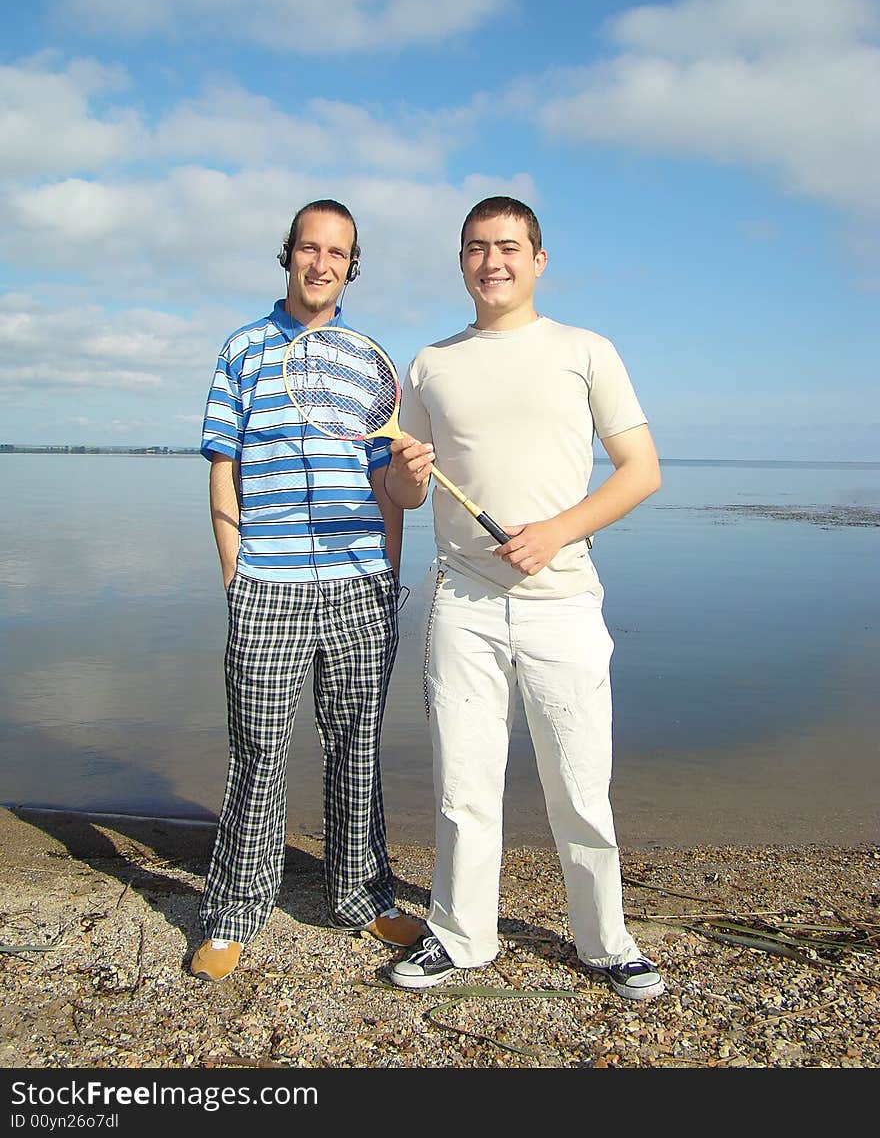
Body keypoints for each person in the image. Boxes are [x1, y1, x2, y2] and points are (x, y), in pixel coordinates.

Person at [384, 196, 665, 1001]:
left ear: (539, 259)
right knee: (463, 783)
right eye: (477, 247)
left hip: (563, 602)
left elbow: (640, 470)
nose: (492, 261)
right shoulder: (431, 363)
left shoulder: (586, 351)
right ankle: (460, 934)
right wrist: (404, 475)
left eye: (509, 246)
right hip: (463, 603)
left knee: (579, 785)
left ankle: (606, 941)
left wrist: (556, 531)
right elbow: (404, 490)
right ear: (462, 261)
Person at [190, 199, 423, 981]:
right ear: (288, 254)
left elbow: (389, 486)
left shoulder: (369, 361)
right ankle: (234, 909)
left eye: (337, 252)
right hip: (268, 584)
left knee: (357, 749)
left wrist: (391, 570)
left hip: (361, 584)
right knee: (256, 751)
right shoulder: (244, 350)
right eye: (308, 248)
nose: (320, 262)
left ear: (351, 264)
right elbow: (223, 463)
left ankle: (363, 895)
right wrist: (236, 571)